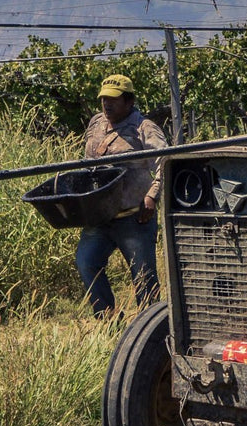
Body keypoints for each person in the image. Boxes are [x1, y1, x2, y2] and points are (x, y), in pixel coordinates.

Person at [77, 74, 170, 317]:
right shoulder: (96, 123)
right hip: (98, 215)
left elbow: (165, 163)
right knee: (86, 262)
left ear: (129, 102)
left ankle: (151, 332)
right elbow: (88, 164)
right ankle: (108, 320)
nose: (107, 105)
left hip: (134, 217)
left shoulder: (144, 128)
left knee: (144, 279)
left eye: (114, 100)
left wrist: (152, 196)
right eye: (104, 99)